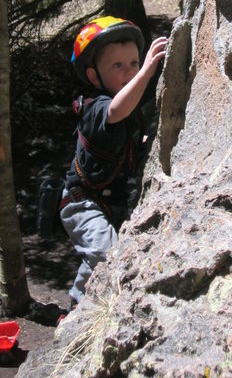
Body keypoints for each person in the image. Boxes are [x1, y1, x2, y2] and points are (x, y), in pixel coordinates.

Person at [60, 16, 167, 308]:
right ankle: (79, 305)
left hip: (112, 202)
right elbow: (116, 111)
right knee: (107, 253)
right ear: (94, 77)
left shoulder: (133, 111)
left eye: (133, 63)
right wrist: (145, 73)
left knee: (108, 253)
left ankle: (84, 301)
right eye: (117, 66)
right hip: (81, 202)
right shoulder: (95, 108)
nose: (128, 72)